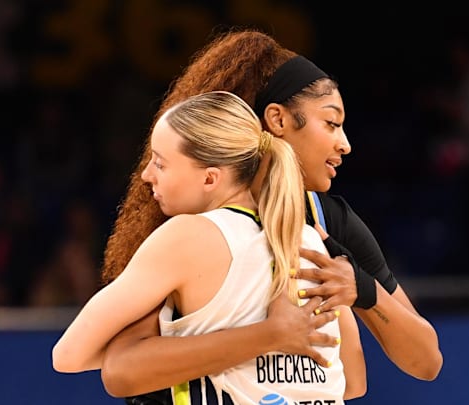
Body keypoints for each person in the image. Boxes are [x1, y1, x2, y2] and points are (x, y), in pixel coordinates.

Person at [98, 29, 443, 402]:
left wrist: (362, 289)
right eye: (330, 123)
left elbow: (421, 363)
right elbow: (122, 371)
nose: (345, 144)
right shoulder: (196, 216)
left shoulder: (326, 223)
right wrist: (265, 338)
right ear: (277, 120)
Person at [52, 90, 367, 404]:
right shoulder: (310, 238)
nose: (147, 176)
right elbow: (352, 383)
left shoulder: (188, 235)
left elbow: (68, 355)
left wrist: (261, 337)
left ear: (210, 179)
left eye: (160, 164)